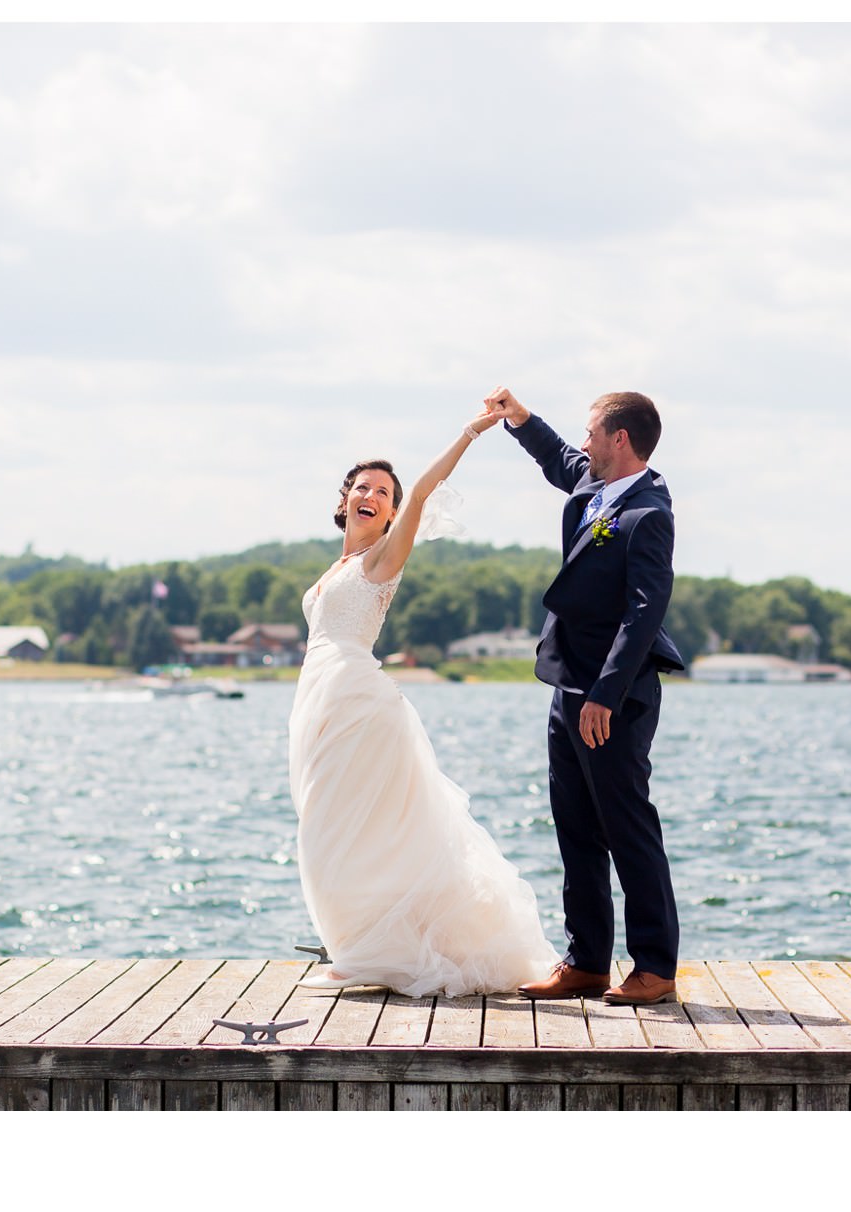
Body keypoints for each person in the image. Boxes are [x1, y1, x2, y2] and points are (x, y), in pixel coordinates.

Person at [288, 411, 560, 996]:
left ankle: (364, 952)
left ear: (392, 512)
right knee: (330, 826)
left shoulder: (383, 558)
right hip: (320, 702)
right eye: (362, 487)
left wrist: (468, 434)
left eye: (384, 493)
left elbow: (428, 489)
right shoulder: (336, 565)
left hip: (358, 705)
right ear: (344, 500)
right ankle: (360, 944)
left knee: (346, 830)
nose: (371, 496)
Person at [480, 386, 686, 1006]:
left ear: (620, 440)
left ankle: (654, 967)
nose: (585, 443)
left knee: (627, 826)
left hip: (613, 697)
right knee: (574, 827)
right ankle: (588, 961)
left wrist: (605, 692)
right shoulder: (594, 487)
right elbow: (560, 460)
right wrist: (519, 419)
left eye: (593, 433)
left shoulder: (649, 513)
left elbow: (644, 612)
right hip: (566, 685)